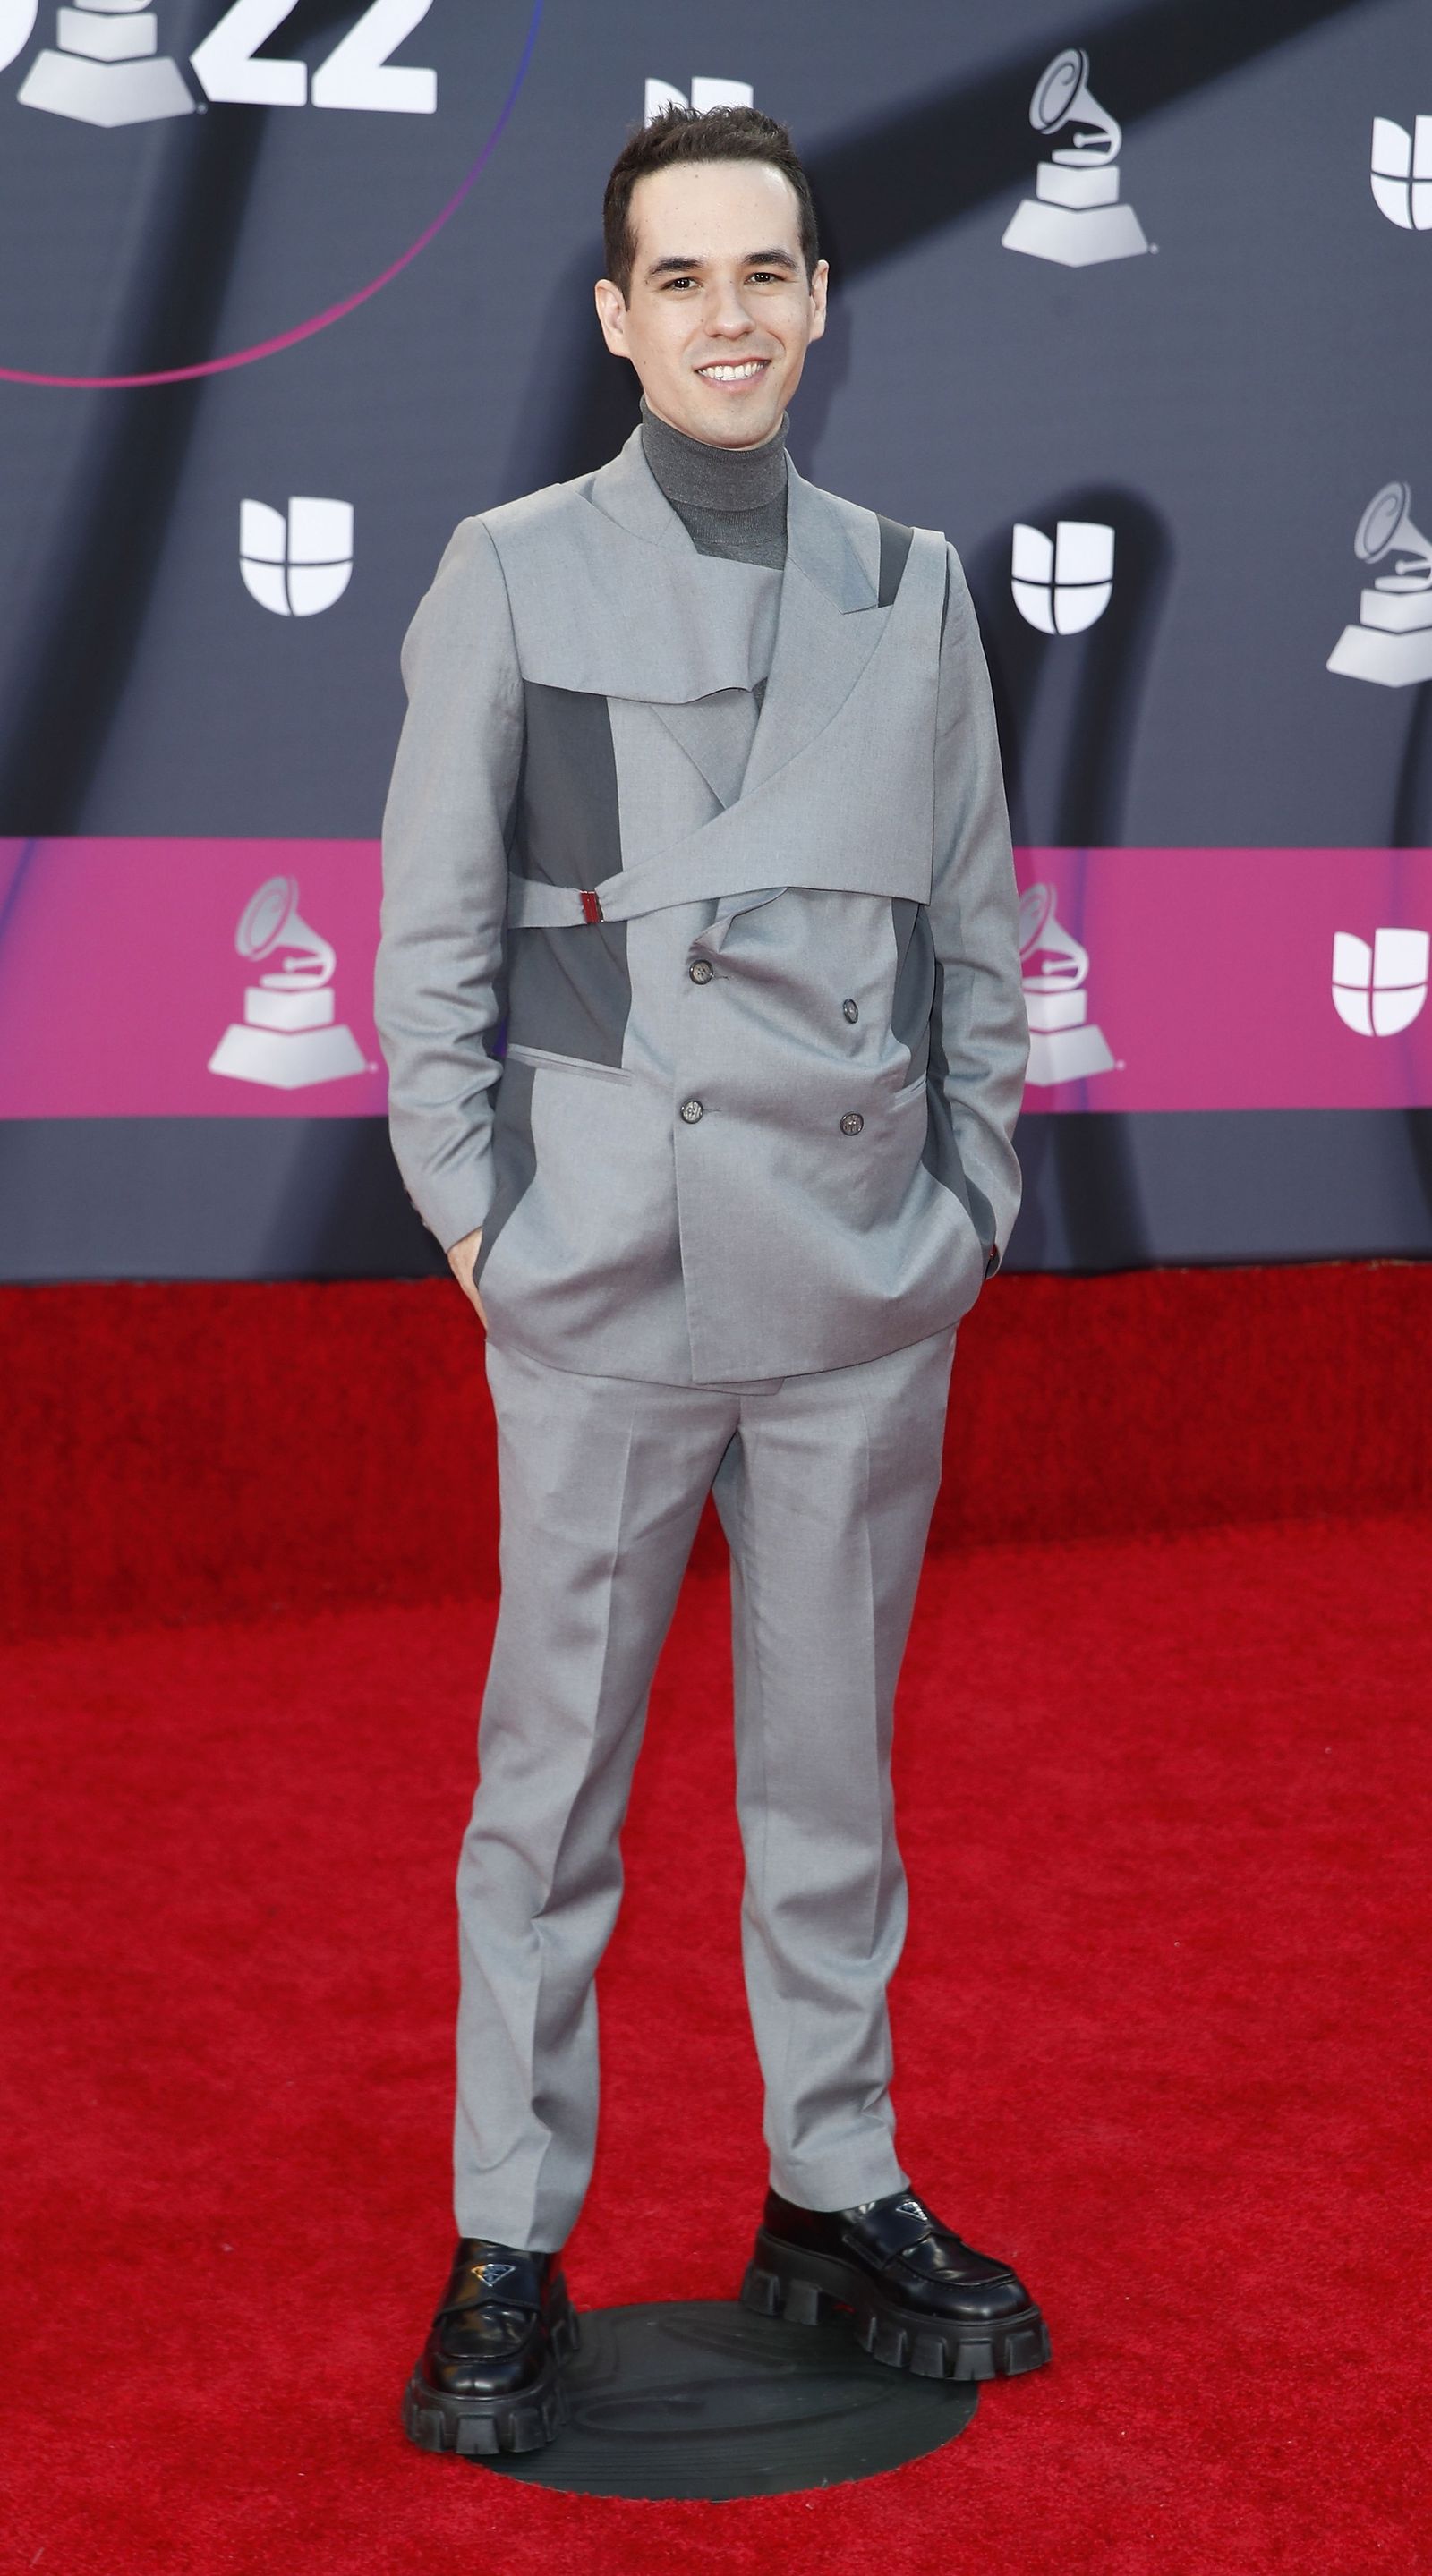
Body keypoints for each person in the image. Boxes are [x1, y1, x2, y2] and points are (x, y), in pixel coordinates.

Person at [375, 103, 1045, 2462]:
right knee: (544, 1789)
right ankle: (505, 2236)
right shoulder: (512, 572)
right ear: (616, 316)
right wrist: (484, 1225)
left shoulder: (912, 585)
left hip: (863, 1281)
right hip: (605, 1278)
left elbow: (979, 930)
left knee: (831, 1779)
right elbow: (436, 942)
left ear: (822, 301)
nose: (731, 317)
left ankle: (836, 2185)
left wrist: (969, 1210)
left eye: (770, 273)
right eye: (685, 278)